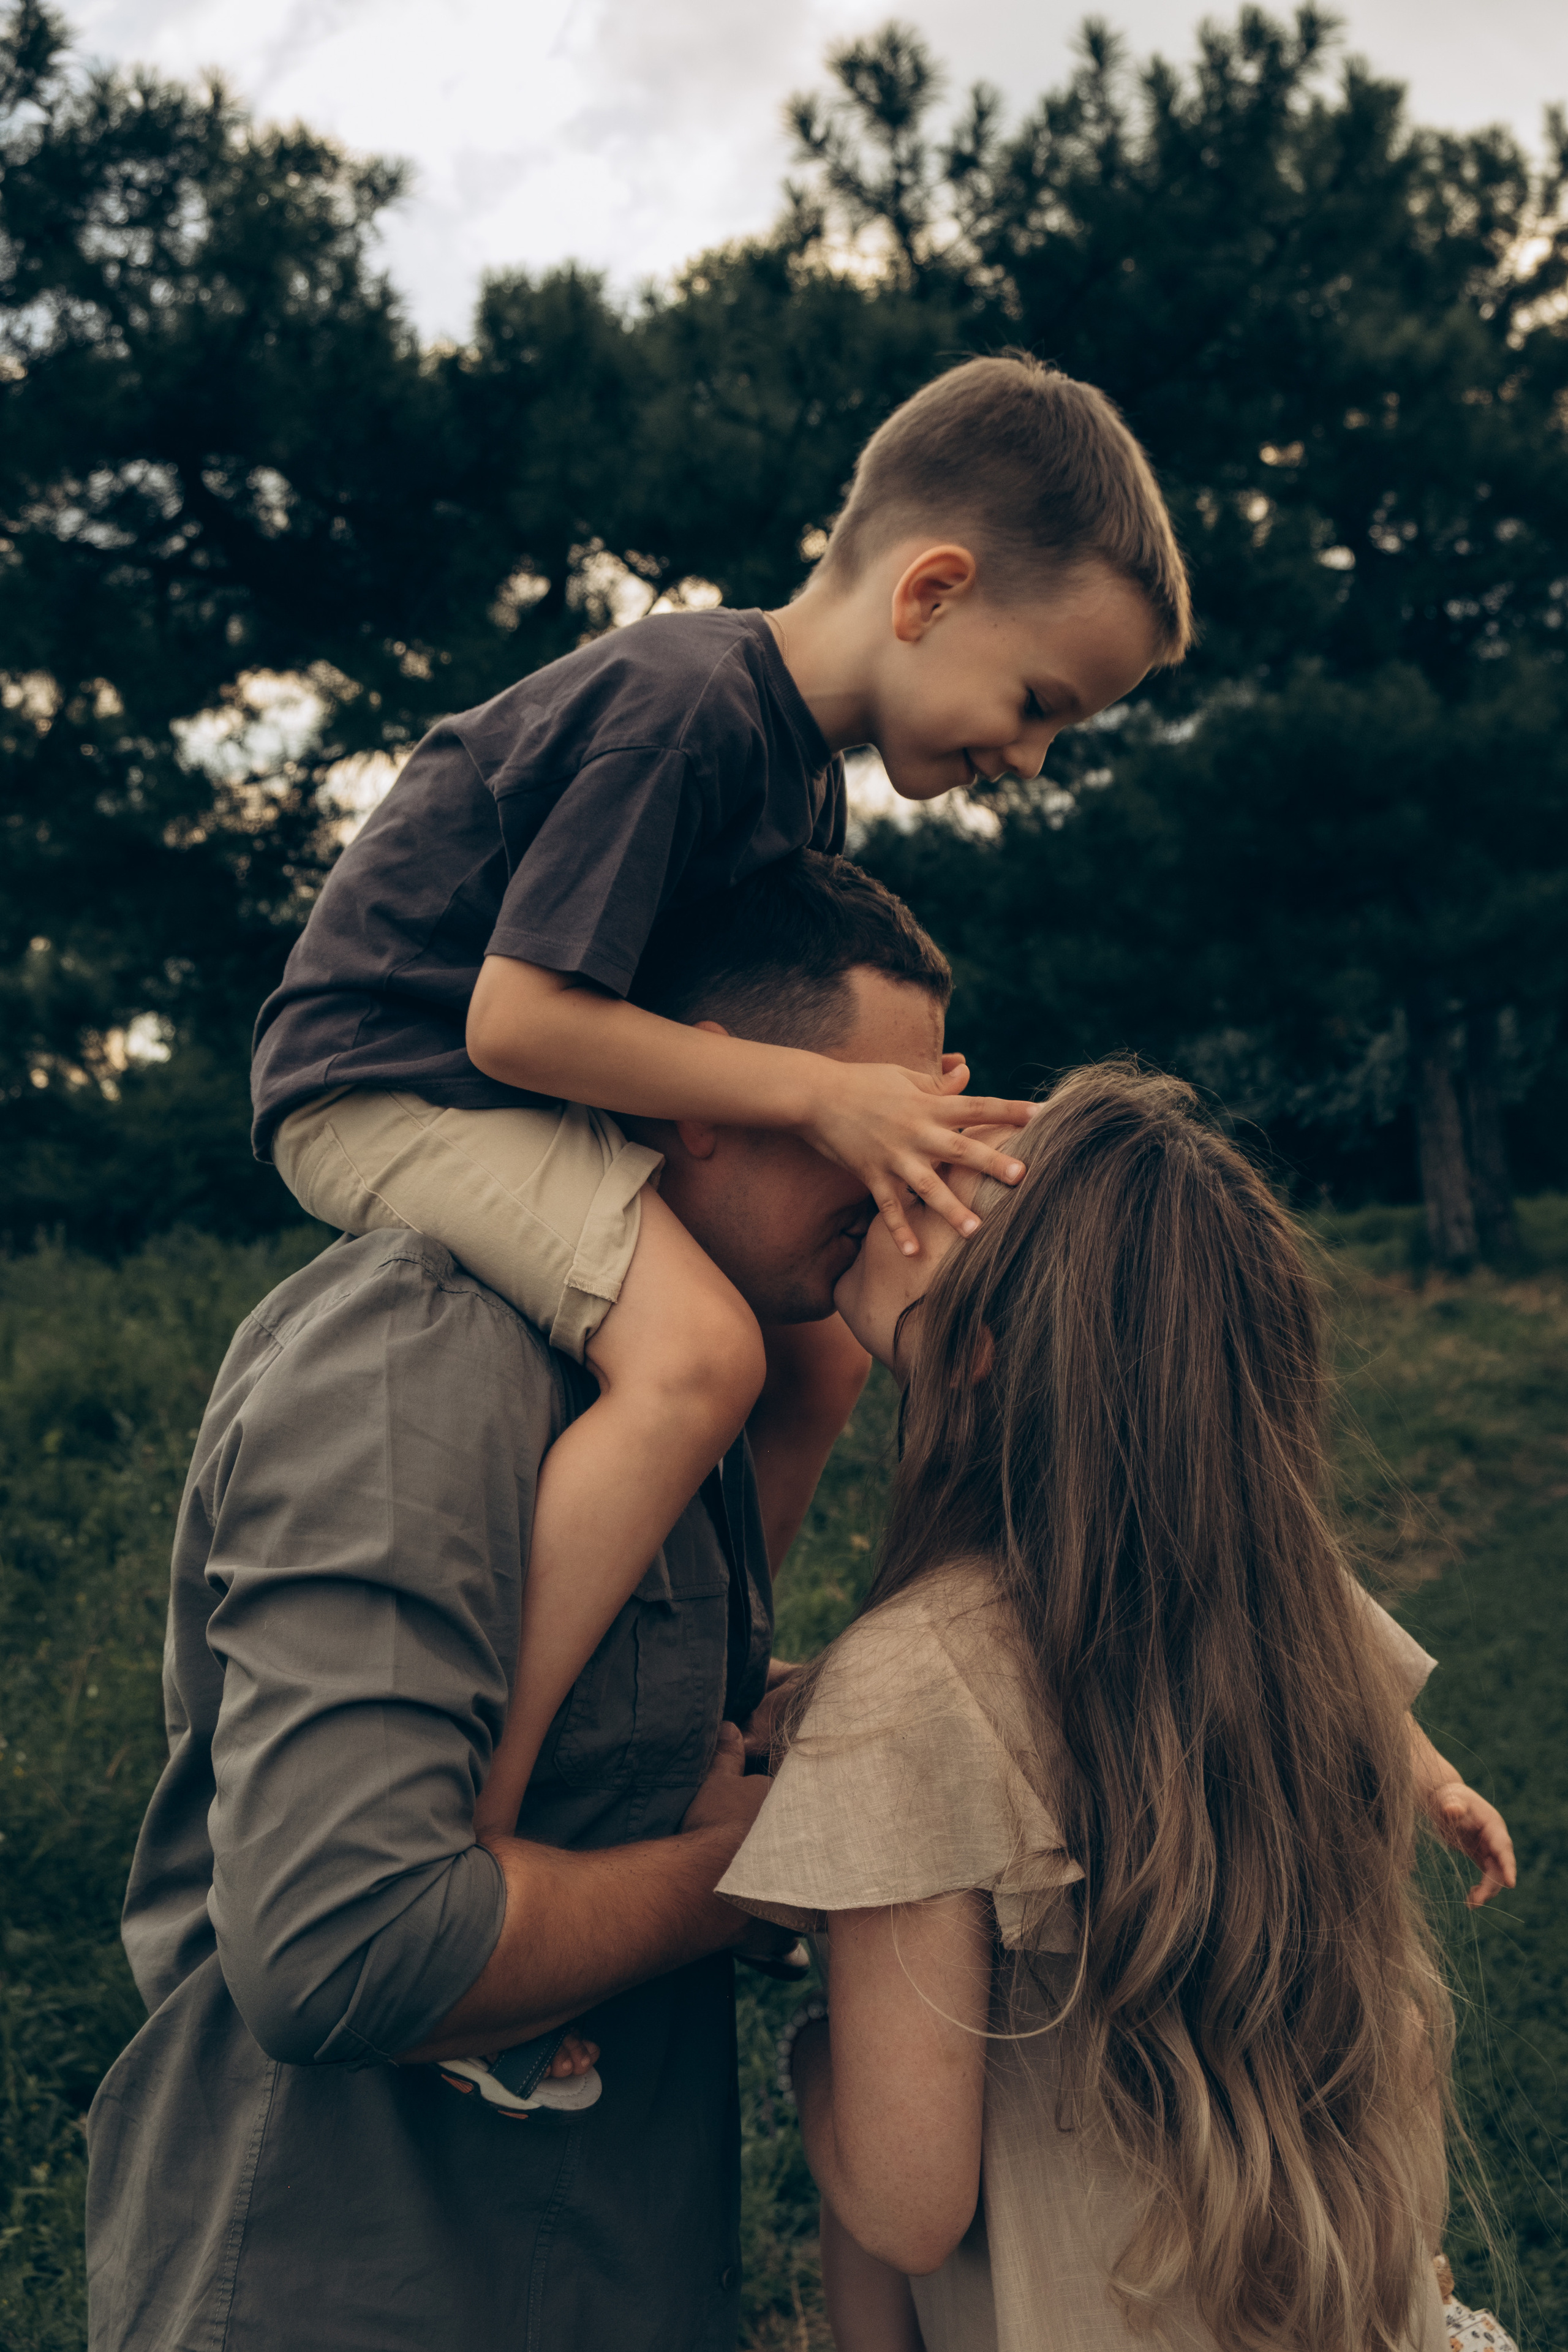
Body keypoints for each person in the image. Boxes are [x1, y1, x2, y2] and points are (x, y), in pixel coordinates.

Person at [247, 355, 1194, 2039]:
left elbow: (710, 1038)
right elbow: (516, 1015)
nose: (1036, 759)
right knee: (699, 1356)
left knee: (817, 1348)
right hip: (387, 1079)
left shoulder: (796, 779)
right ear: (933, 590)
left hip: (528, 1095)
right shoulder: (691, 702)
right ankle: (495, 1808)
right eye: (1041, 702)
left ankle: (702, 1715)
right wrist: (822, 1093)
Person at [86, 856, 954, 2352]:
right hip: (358, 2283)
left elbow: (655, 1739)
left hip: (604, 2259)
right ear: (701, 1100)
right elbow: (344, 1945)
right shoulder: (419, 1359)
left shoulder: (688, 1383)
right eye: (861, 1125)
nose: (901, 1176)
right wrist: (743, 1876)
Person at [720, 1063, 1518, 2352]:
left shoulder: (916, 1686)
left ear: (975, 1352)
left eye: (959, 1187)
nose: (909, 1170)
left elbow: (906, 2211)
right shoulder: (1269, 1600)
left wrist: (817, 2061)